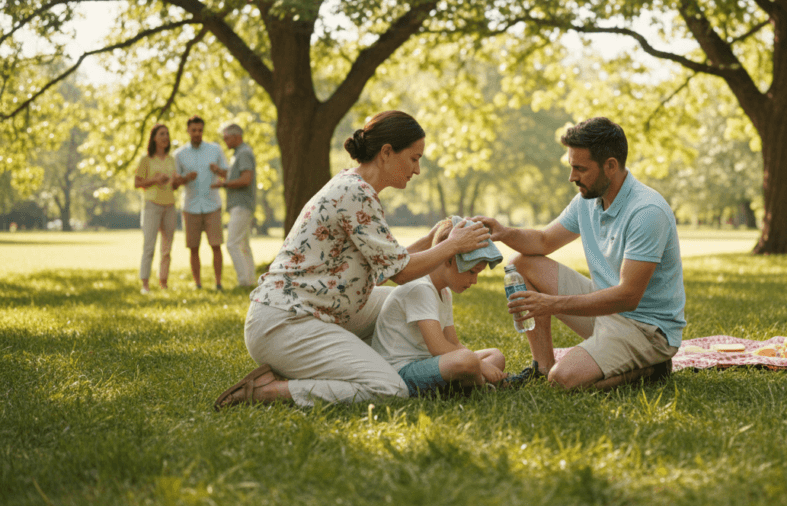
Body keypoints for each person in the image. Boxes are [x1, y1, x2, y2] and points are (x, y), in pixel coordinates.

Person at [214, 110, 490, 410]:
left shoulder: (357, 188)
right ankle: (268, 391)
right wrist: (452, 246)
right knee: (390, 390)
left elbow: (388, 268)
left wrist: (433, 238)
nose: (418, 169)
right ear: (386, 153)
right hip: (284, 323)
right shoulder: (355, 193)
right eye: (413, 158)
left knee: (397, 299)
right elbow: (403, 271)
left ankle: (411, 363)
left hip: (313, 312)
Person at [474, 117, 685, 390]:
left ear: (610, 166)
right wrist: (503, 232)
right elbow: (543, 241)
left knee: (565, 380)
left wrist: (550, 304)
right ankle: (543, 367)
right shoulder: (588, 201)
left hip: (646, 329)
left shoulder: (646, 212)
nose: (572, 177)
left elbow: (628, 296)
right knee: (523, 264)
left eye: (580, 169)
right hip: (606, 313)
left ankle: (651, 370)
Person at [371, 217, 507, 397]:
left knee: (495, 356)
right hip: (400, 373)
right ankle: (481, 388)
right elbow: (438, 347)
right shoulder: (420, 287)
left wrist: (478, 363)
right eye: (471, 272)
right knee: (468, 360)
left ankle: (464, 384)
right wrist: (479, 365)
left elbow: (453, 342)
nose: (474, 281)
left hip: (427, 362)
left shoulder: (444, 292)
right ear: (448, 259)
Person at [173, 115, 228, 290]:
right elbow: (173, 184)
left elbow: (227, 175)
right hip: (190, 206)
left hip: (213, 205)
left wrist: (217, 170)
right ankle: (198, 284)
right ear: (188, 131)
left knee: (216, 245)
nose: (197, 133)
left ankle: (218, 283)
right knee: (193, 248)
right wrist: (184, 178)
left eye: (200, 130)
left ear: (203, 131)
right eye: (194, 130)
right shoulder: (179, 154)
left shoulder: (215, 149)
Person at [133, 123, 178, 294]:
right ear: (154, 138)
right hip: (152, 206)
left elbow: (173, 185)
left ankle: (163, 283)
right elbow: (137, 183)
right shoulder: (146, 159)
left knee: (167, 248)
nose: (165, 137)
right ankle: (145, 284)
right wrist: (155, 180)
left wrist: (176, 180)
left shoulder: (171, 159)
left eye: (167, 134)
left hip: (170, 205)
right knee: (149, 246)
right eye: (161, 134)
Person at [211, 122, 257, 288]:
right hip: (242, 205)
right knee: (243, 244)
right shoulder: (239, 154)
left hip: (242, 205)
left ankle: (244, 281)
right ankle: (250, 280)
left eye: (227, 138)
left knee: (232, 243)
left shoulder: (243, 153)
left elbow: (246, 179)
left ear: (237, 137)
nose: (225, 141)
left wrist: (222, 185)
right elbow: (237, 175)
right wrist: (219, 172)